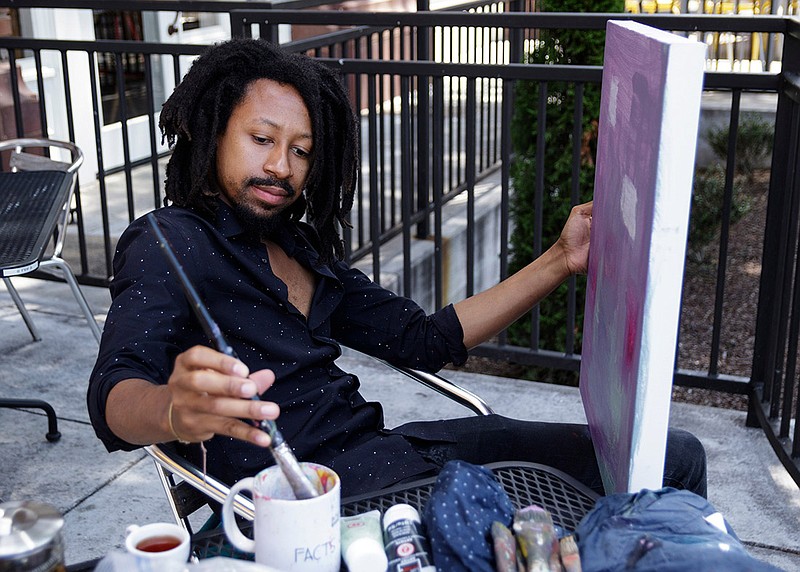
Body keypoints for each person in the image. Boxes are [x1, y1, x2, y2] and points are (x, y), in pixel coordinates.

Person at [87, 38, 706, 499]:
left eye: (301, 151)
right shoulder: (170, 242)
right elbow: (114, 395)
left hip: (398, 457)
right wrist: (171, 408)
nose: (282, 166)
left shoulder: (301, 249)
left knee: (670, 457)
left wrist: (560, 261)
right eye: (261, 139)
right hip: (329, 503)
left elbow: (424, 338)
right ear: (212, 133)